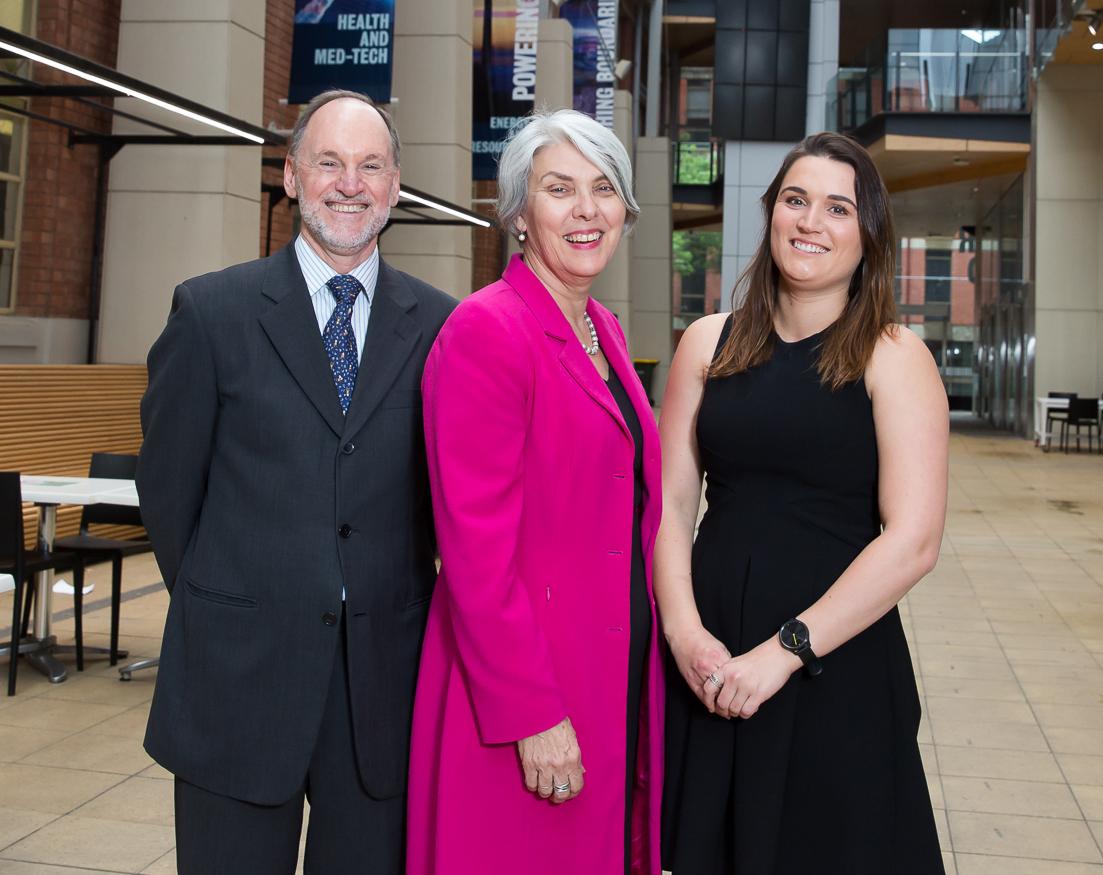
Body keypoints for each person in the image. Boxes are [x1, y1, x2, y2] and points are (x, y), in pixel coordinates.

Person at [136, 90, 455, 875]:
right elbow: (172, 495)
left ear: (396, 185)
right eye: (330, 163)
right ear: (289, 175)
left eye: (371, 166)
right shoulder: (212, 313)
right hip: (238, 679)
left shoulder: (446, 327)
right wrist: (238, 601)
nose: (351, 184)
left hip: (383, 692)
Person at [657, 131, 948, 873]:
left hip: (832, 663)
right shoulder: (706, 344)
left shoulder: (893, 356)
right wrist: (686, 634)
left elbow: (913, 539)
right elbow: (668, 506)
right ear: (771, 213)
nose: (811, 221)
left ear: (866, 234)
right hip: (714, 663)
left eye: (837, 208)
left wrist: (786, 652)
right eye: (796, 199)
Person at [407, 109, 663, 875]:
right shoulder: (488, 330)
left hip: (606, 670)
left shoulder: (603, 332)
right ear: (519, 212)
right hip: (523, 693)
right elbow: (475, 554)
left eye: (603, 187)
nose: (587, 209)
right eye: (560, 189)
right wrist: (534, 714)